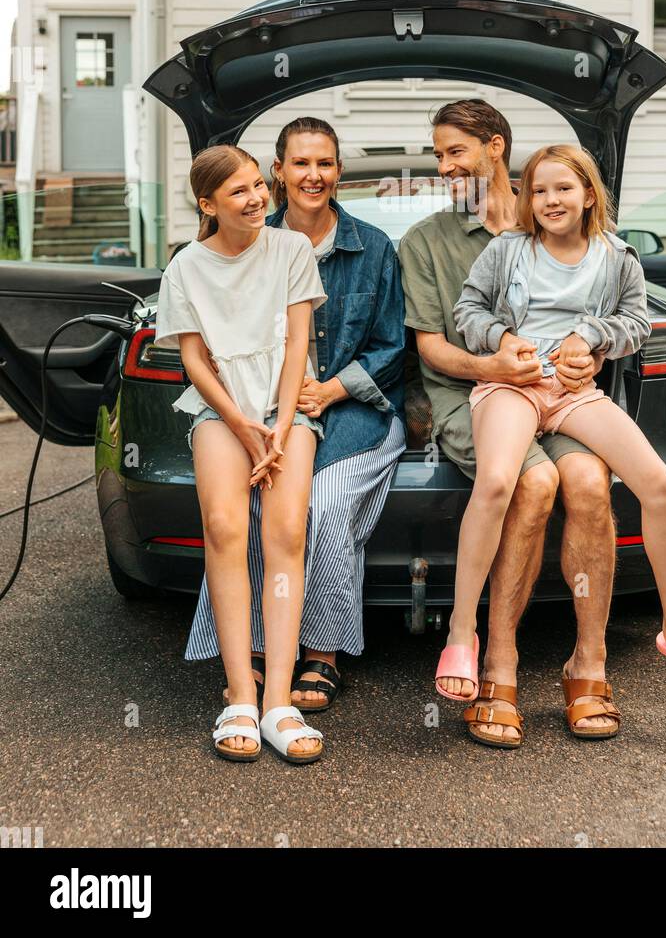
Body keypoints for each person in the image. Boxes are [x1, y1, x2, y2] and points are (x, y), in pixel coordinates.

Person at [446, 141, 666, 710]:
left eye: (563, 188)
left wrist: (594, 339)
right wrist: (503, 341)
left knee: (656, 482)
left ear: (587, 195)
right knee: (499, 482)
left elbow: (635, 321)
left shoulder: (617, 257)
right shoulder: (509, 250)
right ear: (527, 199)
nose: (551, 199)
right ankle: (462, 631)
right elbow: (468, 311)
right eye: (539, 190)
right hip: (512, 385)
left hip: (575, 392)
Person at [399, 101, 621, 748]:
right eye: (438, 155)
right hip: (470, 395)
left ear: (495, 148)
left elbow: (605, 314)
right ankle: (499, 665)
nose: (444, 167)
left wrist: (591, 352)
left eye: (454, 152)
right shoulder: (425, 244)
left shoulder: (554, 217)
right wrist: (492, 364)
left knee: (586, 482)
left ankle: (588, 664)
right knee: (534, 485)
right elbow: (431, 350)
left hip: (557, 397)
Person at [185, 118, 406, 716]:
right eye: (301, 163)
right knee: (252, 509)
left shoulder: (375, 248)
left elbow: (391, 346)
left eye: (326, 163)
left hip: (356, 406)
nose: (314, 175)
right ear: (279, 170)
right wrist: (275, 410)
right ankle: (252, 647)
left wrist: (330, 389)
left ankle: (323, 651)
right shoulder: (251, 238)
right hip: (263, 408)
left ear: (338, 172)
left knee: (326, 501)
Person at [154, 145, 329, 763]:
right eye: (239, 191)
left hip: (287, 412)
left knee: (285, 531)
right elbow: (195, 361)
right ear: (208, 204)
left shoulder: (292, 249)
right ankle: (239, 694)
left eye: (259, 184)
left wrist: (279, 426)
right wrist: (241, 423)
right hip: (220, 411)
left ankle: (278, 699)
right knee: (225, 528)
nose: (257, 198)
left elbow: (298, 346)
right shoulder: (185, 267)